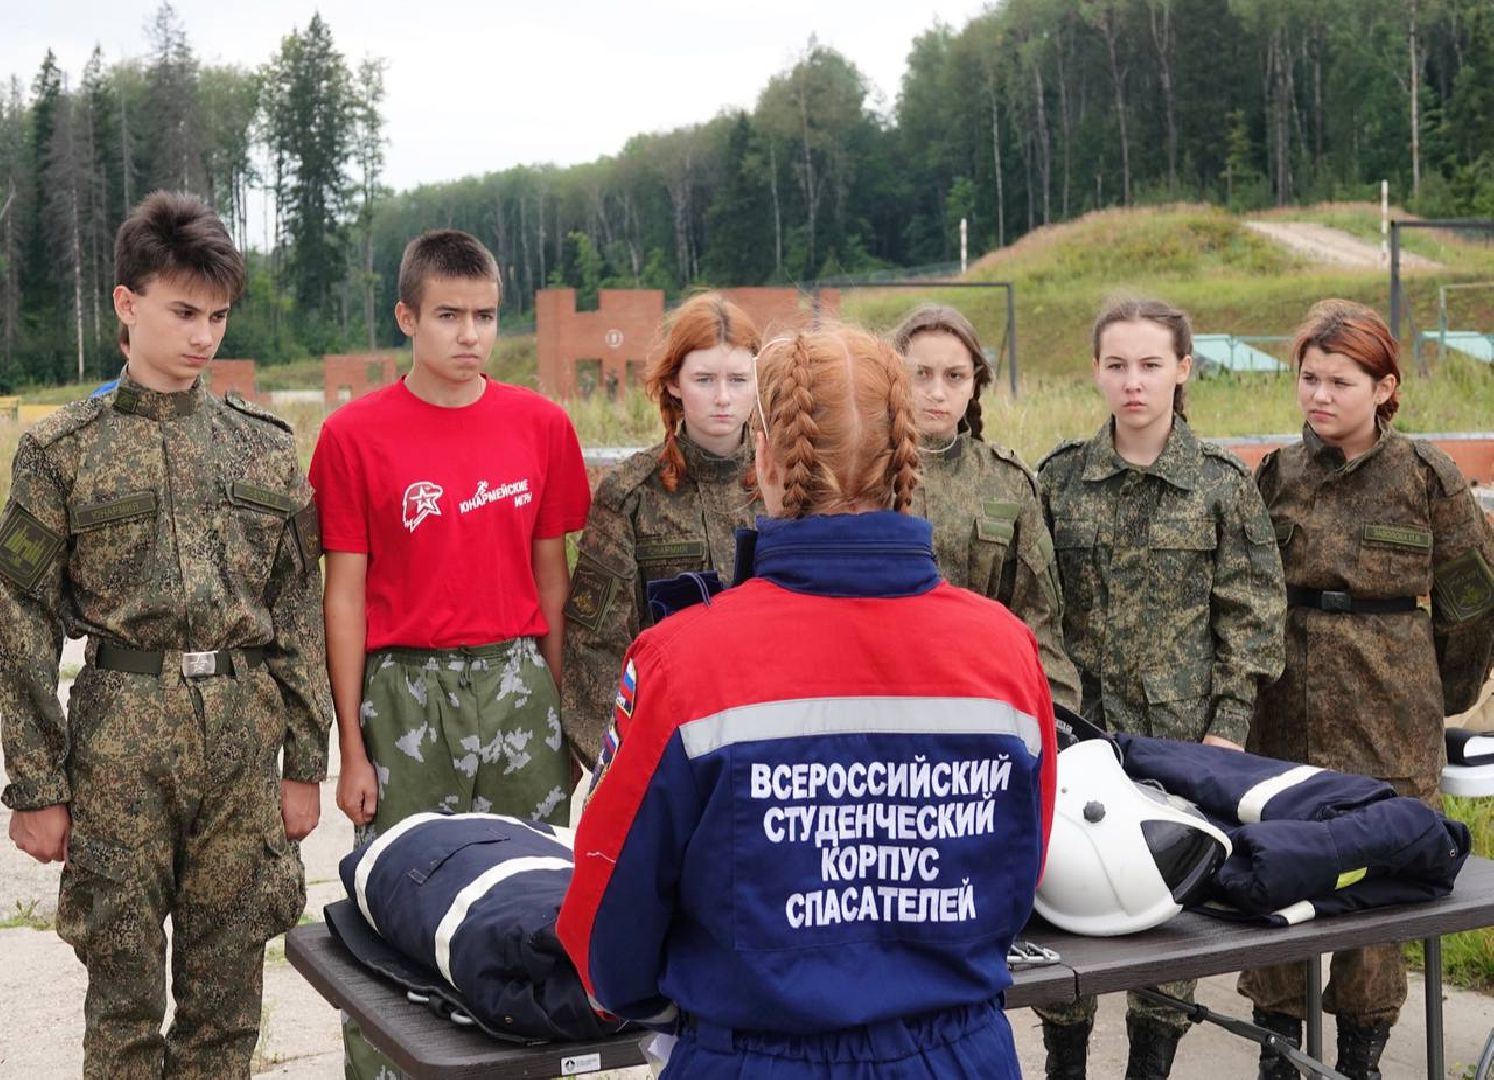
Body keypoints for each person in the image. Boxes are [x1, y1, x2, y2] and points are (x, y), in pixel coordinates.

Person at [558, 324, 1058, 1079]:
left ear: (764, 453)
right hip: (961, 1054)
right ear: (907, 459)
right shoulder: (1006, 649)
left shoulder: (683, 659)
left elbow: (607, 928)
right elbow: (1020, 867)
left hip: (753, 1058)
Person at [0, 190, 331, 1078]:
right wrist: (35, 781)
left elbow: (296, 608)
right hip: (119, 742)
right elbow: (19, 616)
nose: (203, 337)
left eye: (218, 317)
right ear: (126, 303)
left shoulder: (264, 449)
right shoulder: (63, 452)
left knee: (226, 1010)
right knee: (124, 1004)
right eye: (184, 312)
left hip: (240, 743)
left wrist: (306, 762)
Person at [308, 227, 592, 1079]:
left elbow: (554, 584)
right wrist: (351, 747)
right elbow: (343, 597)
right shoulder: (353, 436)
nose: (470, 335)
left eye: (485, 316)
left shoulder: (541, 426)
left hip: (516, 684)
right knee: (393, 901)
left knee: (537, 895)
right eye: (448, 315)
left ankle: (530, 1058)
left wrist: (564, 718)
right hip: (404, 691)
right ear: (407, 317)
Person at [1240, 299, 1494, 1080]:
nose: (1320, 396)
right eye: (1309, 379)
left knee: (1380, 886)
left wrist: (1431, 692)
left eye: (1340, 382)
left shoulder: (1426, 478)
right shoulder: (1277, 475)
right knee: (1276, 864)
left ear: (1384, 388)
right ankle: (1279, 1050)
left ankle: (1361, 1058)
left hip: (1391, 708)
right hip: (1285, 709)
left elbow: (1471, 602)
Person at [1035, 296, 1286, 1080]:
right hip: (1079, 737)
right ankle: (1065, 1060)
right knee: (1069, 901)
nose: (1133, 382)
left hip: (1183, 741)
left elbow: (1253, 614)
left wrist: (1228, 729)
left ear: (1183, 368)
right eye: (1117, 365)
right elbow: (1035, 608)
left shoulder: (1220, 484)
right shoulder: (1059, 480)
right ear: (1096, 371)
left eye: (1150, 365)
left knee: (1169, 918)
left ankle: (1153, 1064)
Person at [563, 292, 760, 756]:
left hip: (771, 735)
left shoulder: (793, 488)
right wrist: (624, 760)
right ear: (673, 383)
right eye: (704, 379)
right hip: (667, 740)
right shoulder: (631, 494)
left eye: (738, 379)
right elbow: (595, 643)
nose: (723, 397)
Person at [891, 303, 1080, 710]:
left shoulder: (1006, 483)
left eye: (954, 376)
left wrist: (1057, 723)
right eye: (920, 374)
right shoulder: (860, 474)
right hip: (884, 698)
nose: (936, 392)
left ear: (974, 383)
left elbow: (1040, 622)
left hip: (983, 700)